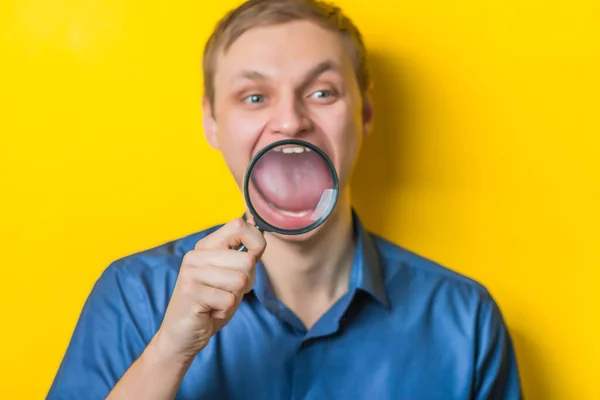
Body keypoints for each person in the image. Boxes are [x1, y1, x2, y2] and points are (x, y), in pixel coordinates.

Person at [47, 0, 522, 399]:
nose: (291, 122)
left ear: (366, 112)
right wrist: (170, 349)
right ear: (211, 122)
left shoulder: (467, 321)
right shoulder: (135, 297)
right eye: (254, 97)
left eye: (321, 92)